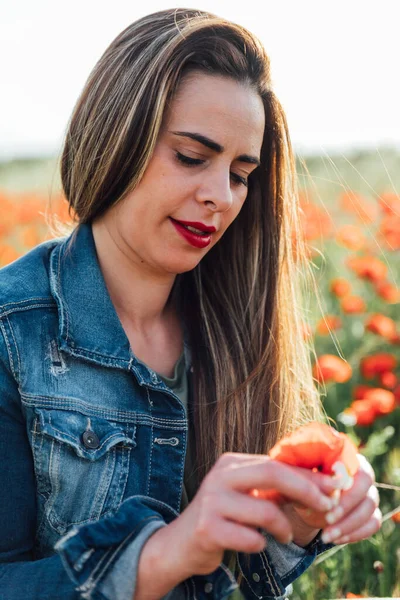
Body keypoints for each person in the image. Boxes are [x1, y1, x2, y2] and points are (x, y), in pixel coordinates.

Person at [0, 8, 381, 600]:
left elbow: (235, 581)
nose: (220, 197)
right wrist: (160, 555)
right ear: (116, 140)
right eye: (191, 156)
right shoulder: (11, 333)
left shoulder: (236, 330)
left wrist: (298, 521)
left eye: (241, 172)